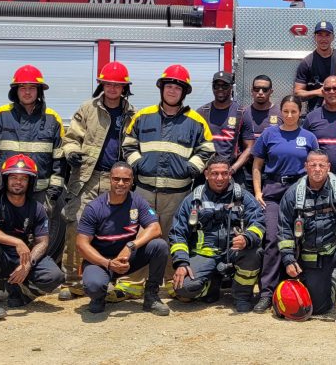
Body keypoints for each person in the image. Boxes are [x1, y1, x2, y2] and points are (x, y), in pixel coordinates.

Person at [123, 64, 215, 277]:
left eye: (178, 87)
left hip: (177, 194)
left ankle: (167, 282)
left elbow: (207, 149)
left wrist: (191, 168)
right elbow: (128, 144)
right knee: (138, 236)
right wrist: (138, 165)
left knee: (174, 237)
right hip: (144, 192)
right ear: (161, 89)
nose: (172, 90)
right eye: (169, 86)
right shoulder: (143, 116)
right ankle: (133, 283)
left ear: (184, 92)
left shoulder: (196, 121)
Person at [59, 61, 136, 301]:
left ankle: (114, 278)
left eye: (118, 85)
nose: (113, 88)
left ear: (125, 88)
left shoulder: (131, 113)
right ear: (101, 84)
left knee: (120, 230)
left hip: (118, 180)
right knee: (77, 226)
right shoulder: (87, 109)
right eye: (108, 83)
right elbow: (70, 138)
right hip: (88, 177)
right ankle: (72, 281)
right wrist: (71, 152)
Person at [278, 150, 336, 328]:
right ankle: (334, 284)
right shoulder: (293, 194)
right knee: (319, 308)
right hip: (312, 255)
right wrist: (288, 258)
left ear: (328, 167)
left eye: (321, 165)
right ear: (306, 167)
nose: (317, 169)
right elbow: (284, 230)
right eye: (313, 164)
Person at [0, 154, 65, 320]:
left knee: (55, 276)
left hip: (21, 258)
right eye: (13, 177)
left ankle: (19, 292)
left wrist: (27, 264)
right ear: (5, 179)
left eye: (23, 178)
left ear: (30, 182)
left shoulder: (36, 208)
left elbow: (43, 242)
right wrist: (16, 242)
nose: (18, 182)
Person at [169, 155, 265, 312]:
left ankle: (241, 296)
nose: (219, 178)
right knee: (183, 288)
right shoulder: (193, 200)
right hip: (204, 255)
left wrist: (247, 238)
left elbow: (258, 222)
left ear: (230, 174)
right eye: (214, 173)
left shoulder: (243, 196)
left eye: (224, 173)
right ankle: (211, 284)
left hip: (234, 252)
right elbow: (177, 233)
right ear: (206, 174)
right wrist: (182, 263)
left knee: (254, 253)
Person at [251, 95, 319, 312]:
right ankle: (266, 292)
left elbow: (315, 168)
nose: (289, 115)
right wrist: (258, 191)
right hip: (273, 193)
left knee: (300, 240)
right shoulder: (269, 134)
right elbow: (257, 165)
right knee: (272, 239)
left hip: (299, 194)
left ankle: (298, 286)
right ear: (280, 112)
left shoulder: (309, 137)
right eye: (286, 111)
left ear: (300, 113)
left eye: (294, 111)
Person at [76, 162, 170, 315]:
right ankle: (99, 297)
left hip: (126, 258)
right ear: (109, 179)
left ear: (132, 181)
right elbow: (81, 244)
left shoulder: (137, 202)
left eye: (126, 180)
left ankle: (151, 296)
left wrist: (130, 246)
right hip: (101, 261)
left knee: (160, 246)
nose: (121, 183)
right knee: (93, 287)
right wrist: (108, 263)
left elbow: (155, 229)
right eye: (116, 179)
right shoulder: (94, 208)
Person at [0, 65, 65, 215]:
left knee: (39, 238)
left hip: (39, 195)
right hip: (2, 193)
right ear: (15, 90)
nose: (27, 92)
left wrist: (51, 197)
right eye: (22, 87)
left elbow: (59, 163)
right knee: (1, 237)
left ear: (39, 91)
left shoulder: (53, 119)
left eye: (32, 87)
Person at [196, 71, 254, 184]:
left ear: (231, 87)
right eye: (216, 86)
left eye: (225, 86)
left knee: (240, 200)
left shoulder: (241, 113)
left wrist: (233, 169)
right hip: (206, 172)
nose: (220, 89)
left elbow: (250, 147)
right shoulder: (202, 112)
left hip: (233, 172)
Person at [294, 20, 336, 112]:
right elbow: (297, 93)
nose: (323, 39)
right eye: (320, 35)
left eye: (327, 35)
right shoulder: (306, 63)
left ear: (333, 37)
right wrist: (317, 92)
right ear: (315, 38)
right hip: (316, 114)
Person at [240, 75, 282, 194]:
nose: (260, 92)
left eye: (265, 89)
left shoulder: (280, 113)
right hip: (247, 172)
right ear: (251, 91)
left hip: (273, 171)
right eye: (256, 89)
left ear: (271, 91)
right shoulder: (243, 113)